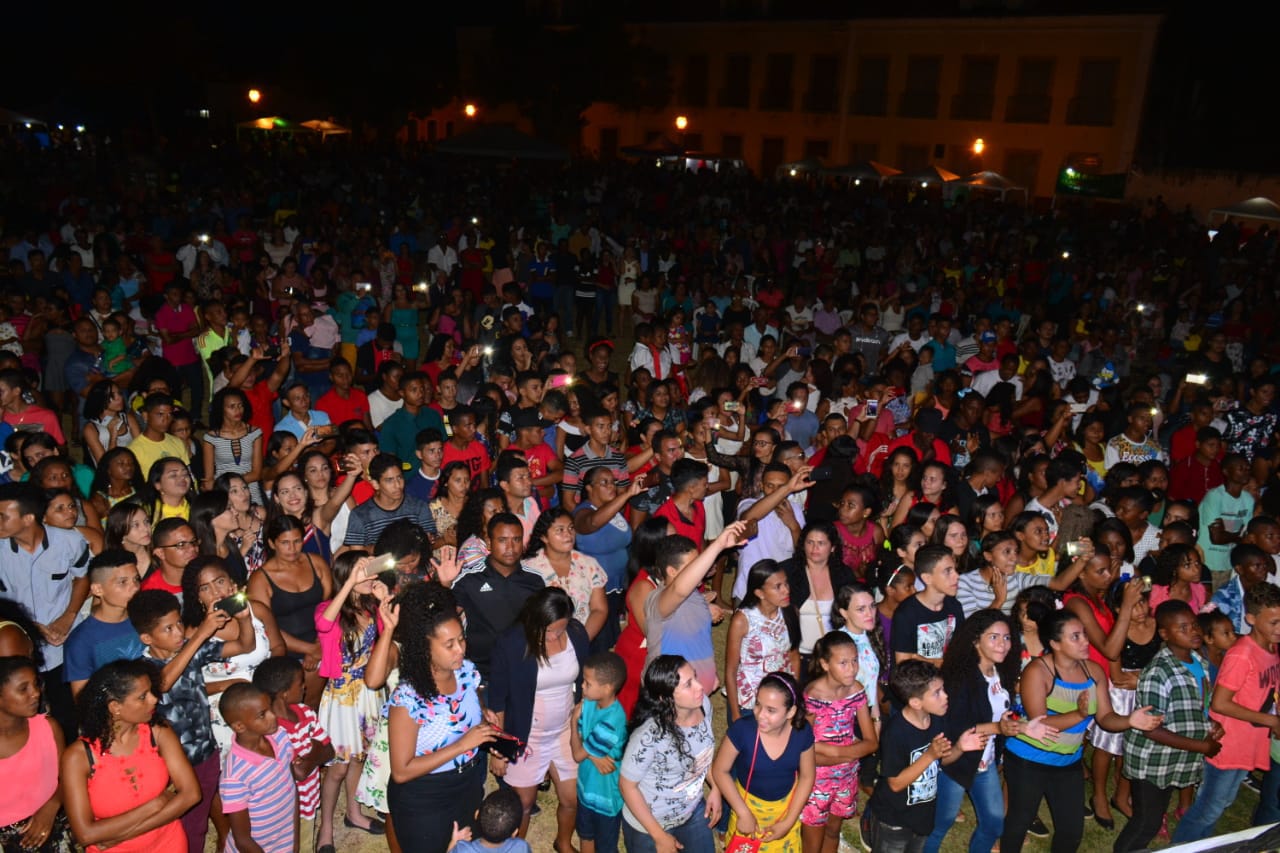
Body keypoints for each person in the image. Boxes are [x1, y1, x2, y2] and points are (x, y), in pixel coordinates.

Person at [1000, 609, 1163, 853]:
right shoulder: (1038, 671)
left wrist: (1130, 720)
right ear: (1055, 643)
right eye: (1075, 636)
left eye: (1084, 634)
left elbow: (1106, 718)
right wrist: (1078, 714)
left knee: (1071, 831)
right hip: (1028, 759)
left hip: (1068, 761)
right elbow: (1039, 724)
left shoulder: (1093, 672)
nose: (1085, 641)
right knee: (1018, 823)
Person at [129, 587, 257, 853]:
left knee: (197, 825)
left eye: (178, 623)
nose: (178, 633)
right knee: (179, 830)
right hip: (170, 766)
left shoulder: (191, 648)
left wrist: (244, 619)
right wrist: (199, 635)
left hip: (205, 752)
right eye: (168, 629)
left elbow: (245, 646)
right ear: (146, 637)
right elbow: (162, 684)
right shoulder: (141, 670)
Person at [386, 581, 500, 853]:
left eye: (461, 639)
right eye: (449, 645)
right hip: (425, 797)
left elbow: (470, 711)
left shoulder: (466, 672)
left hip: (468, 784)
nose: (460, 649)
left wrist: (485, 723)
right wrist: (463, 745)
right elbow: (401, 771)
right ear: (425, 648)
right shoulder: (408, 699)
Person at [1171, 582, 1280, 842]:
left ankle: (1202, 844)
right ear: (1251, 619)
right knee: (1209, 808)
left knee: (1223, 802)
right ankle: (1182, 846)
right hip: (1229, 743)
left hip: (1250, 741)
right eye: (1274, 622)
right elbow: (1220, 703)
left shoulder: (1271, 648)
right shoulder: (1242, 655)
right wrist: (1270, 720)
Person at [925, 609, 1042, 853]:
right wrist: (999, 728)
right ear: (976, 641)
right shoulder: (959, 678)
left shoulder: (1002, 673)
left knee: (993, 824)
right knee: (939, 824)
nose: (1003, 644)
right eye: (994, 637)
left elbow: (1000, 715)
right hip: (955, 762)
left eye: (1007, 637)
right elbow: (957, 728)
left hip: (985, 762)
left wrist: (1022, 726)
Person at [59, 659, 201, 853]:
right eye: (142, 697)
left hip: (169, 844)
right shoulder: (78, 757)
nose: (154, 699)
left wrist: (120, 835)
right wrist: (154, 805)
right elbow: (85, 834)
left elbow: (191, 794)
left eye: (151, 692)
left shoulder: (158, 732)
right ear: (115, 707)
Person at [1114, 600, 1222, 853]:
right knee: (1147, 822)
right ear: (1164, 634)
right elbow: (1151, 728)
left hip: (1175, 756)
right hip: (1152, 759)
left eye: (1194, 625)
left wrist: (1211, 724)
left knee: (1156, 812)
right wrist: (1201, 746)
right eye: (1183, 628)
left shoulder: (1199, 662)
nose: (1193, 631)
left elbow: (1196, 706)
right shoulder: (1158, 672)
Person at [488, 587, 590, 847]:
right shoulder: (511, 643)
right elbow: (497, 701)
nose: (555, 636)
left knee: (572, 798)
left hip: (565, 730)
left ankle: (563, 843)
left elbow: (585, 680)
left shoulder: (576, 634)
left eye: (561, 629)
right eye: (549, 631)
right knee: (523, 804)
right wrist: (499, 750)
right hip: (526, 734)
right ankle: (514, 849)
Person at [866, 660, 987, 853]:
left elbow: (941, 760)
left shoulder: (937, 720)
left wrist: (959, 747)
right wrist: (929, 755)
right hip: (894, 820)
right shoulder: (896, 733)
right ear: (916, 702)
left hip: (922, 817)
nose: (946, 696)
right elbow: (895, 783)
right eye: (937, 693)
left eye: (943, 689)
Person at [0, 482, 90, 736]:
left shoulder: (70, 542)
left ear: (28, 518)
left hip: (63, 643)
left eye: (3, 516)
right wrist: (30, 627)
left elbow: (82, 577)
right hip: (18, 648)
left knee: (68, 714)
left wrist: (68, 616)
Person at [315, 553, 389, 844]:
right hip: (342, 698)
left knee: (360, 757)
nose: (371, 578)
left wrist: (385, 602)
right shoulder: (328, 609)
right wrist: (349, 585)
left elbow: (387, 639)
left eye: (372, 572)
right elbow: (323, 625)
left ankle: (354, 813)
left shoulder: (371, 607)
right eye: (364, 573)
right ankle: (325, 828)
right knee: (337, 768)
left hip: (369, 693)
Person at [619, 654, 722, 853]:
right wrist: (659, 837)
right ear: (664, 698)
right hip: (650, 824)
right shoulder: (649, 736)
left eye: (695, 677)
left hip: (691, 811)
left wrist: (716, 787)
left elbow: (702, 754)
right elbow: (627, 786)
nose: (700, 686)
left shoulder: (703, 705)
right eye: (688, 684)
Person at [712, 671, 816, 852]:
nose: (760, 715)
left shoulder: (802, 732)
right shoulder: (743, 730)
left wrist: (788, 822)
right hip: (746, 809)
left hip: (785, 812)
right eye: (758, 704)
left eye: (771, 710)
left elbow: (807, 776)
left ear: (791, 712)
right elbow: (720, 770)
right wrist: (743, 812)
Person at [800, 631, 879, 853]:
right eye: (843, 663)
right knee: (812, 844)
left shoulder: (857, 691)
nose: (852, 668)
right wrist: (847, 752)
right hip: (816, 782)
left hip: (846, 778)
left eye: (854, 660)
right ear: (825, 664)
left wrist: (830, 751)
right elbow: (804, 753)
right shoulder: (813, 697)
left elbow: (872, 743)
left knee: (833, 832)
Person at [646, 523, 748, 695]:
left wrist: (711, 674)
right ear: (672, 571)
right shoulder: (657, 600)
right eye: (693, 565)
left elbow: (698, 640)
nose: (702, 568)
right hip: (670, 697)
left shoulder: (694, 595)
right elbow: (678, 590)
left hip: (699, 694)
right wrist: (718, 545)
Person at [248, 516, 333, 708]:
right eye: (285, 543)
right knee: (301, 706)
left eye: (297, 541)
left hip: (322, 641)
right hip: (287, 652)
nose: (292, 548)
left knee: (326, 701)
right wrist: (309, 650)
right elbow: (266, 628)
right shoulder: (260, 579)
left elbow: (329, 607)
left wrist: (319, 644)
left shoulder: (316, 563)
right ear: (272, 543)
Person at [251, 657, 335, 853]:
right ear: (284, 694)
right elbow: (299, 772)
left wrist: (308, 759)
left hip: (309, 801)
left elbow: (329, 751)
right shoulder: (271, 732)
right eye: (300, 683)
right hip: (282, 811)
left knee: (305, 844)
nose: (305, 687)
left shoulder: (306, 712)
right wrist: (316, 748)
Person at [451, 513, 548, 678]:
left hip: (523, 668)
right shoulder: (470, 579)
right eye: (502, 540)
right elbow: (445, 617)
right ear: (489, 543)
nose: (510, 547)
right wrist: (445, 584)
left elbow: (543, 625)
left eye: (516, 539)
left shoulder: (535, 580)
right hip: (480, 672)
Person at [0, 655, 75, 853]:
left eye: (36, 684)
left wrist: (51, 806)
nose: (35, 693)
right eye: (23, 689)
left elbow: (69, 778)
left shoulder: (47, 728)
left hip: (53, 826)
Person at [218, 682, 299, 853]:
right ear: (239, 726)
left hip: (285, 844)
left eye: (270, 708)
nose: (273, 716)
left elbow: (291, 789)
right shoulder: (235, 776)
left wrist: (295, 842)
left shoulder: (280, 736)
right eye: (262, 715)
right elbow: (243, 840)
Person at [63, 549, 146, 699]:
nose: (134, 587)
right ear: (98, 589)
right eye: (123, 582)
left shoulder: (144, 619)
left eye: (136, 579)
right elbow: (83, 701)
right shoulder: (81, 641)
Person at [725, 559, 800, 720]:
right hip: (749, 702)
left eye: (786, 583)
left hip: (780, 699)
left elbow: (793, 656)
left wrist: (795, 696)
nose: (786, 590)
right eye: (777, 586)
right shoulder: (742, 620)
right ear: (760, 593)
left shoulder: (790, 612)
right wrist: (736, 714)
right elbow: (731, 670)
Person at [569, 651, 629, 853]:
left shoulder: (612, 721)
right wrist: (594, 756)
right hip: (586, 789)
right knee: (585, 835)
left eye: (587, 683)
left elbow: (577, 754)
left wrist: (573, 722)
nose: (582, 686)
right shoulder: (589, 702)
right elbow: (581, 743)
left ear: (607, 688)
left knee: (605, 847)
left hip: (606, 798)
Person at [521, 509, 609, 640]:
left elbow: (599, 609)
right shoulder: (528, 569)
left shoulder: (588, 564)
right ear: (544, 537)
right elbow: (527, 614)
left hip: (584, 636)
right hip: (544, 641)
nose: (568, 534)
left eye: (571, 528)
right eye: (560, 530)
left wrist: (581, 641)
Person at [340, 454, 438, 550]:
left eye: (399, 477)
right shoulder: (360, 515)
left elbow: (429, 543)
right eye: (389, 480)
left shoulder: (418, 507)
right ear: (375, 484)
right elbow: (357, 553)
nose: (397, 485)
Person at [891, 545, 965, 664]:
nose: (956, 576)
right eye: (948, 571)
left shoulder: (954, 606)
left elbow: (961, 648)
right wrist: (938, 663)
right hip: (917, 675)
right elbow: (903, 661)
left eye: (955, 570)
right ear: (927, 578)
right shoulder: (906, 614)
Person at [449, 787, 531, 853]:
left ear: (477, 814)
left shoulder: (463, 850)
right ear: (514, 833)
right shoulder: (521, 847)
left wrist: (454, 841)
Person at [129, 393, 190, 479]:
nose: (166, 419)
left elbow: (188, 474)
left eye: (169, 414)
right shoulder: (135, 450)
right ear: (146, 416)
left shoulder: (177, 442)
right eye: (160, 414)